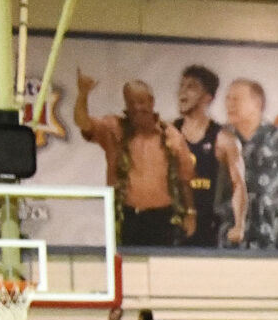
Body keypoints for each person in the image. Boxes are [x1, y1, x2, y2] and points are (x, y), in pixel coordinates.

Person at [74, 74, 195, 246]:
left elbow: (185, 178)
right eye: (130, 102)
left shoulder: (172, 135)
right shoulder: (114, 129)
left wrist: (190, 213)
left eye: (141, 101)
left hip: (164, 218)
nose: (136, 107)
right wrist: (83, 94)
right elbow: (82, 122)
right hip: (127, 217)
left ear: (151, 101)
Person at [221, 76, 278, 249]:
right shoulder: (220, 138)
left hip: (272, 238)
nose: (229, 104)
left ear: (257, 103)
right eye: (228, 98)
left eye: (236, 99)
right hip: (229, 239)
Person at [172, 64, 240, 251]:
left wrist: (238, 225)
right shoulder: (169, 132)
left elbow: (238, 186)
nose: (182, 92)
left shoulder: (222, 137)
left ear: (208, 97)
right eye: (182, 85)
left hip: (210, 229)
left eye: (191, 86)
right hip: (173, 225)